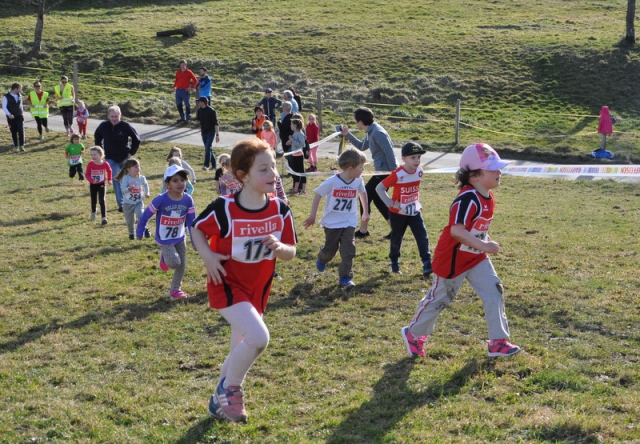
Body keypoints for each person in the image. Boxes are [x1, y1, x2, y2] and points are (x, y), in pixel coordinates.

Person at [191, 138, 297, 423]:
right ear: (243, 176)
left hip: (258, 289)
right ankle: (231, 389)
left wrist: (280, 247)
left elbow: (291, 252)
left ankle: (217, 401)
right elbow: (197, 229)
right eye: (263, 169)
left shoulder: (280, 209)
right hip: (226, 284)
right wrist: (208, 257)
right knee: (259, 338)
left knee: (241, 346)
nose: (273, 174)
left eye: (274, 167)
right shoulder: (224, 208)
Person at [401, 143, 521, 359]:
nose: (499, 172)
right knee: (440, 299)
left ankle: (498, 342)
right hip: (453, 259)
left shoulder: (487, 196)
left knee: (494, 291)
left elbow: (475, 229)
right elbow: (457, 231)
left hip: (475, 258)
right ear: (474, 176)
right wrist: (485, 245)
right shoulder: (467, 198)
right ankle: (413, 334)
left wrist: (484, 241)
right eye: (493, 168)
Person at [303, 149, 369, 288]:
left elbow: (363, 194)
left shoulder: (358, 180)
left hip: (349, 221)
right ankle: (322, 257)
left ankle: (345, 277)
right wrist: (312, 215)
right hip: (332, 223)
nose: (363, 170)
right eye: (361, 168)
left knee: (349, 250)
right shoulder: (332, 181)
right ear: (350, 168)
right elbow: (318, 195)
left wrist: (366, 212)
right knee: (330, 250)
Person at [137, 165, 196, 299]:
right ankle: (164, 255)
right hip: (164, 239)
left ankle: (175, 290)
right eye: (175, 181)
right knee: (175, 263)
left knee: (182, 264)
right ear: (167, 184)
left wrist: (194, 240)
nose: (180, 183)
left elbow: (192, 221)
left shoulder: (188, 200)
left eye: (182, 179)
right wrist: (140, 231)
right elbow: (145, 215)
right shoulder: (160, 199)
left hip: (180, 236)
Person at [376, 142, 432, 277]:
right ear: (404, 159)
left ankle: (427, 262)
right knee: (397, 238)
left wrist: (416, 202)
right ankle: (394, 262)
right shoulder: (397, 174)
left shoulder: (420, 171)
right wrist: (390, 203)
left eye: (419, 157)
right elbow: (379, 188)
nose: (417, 161)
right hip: (397, 214)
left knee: (422, 236)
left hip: (414, 212)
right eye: (413, 158)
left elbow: (413, 190)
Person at [341, 107, 398, 239]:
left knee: (364, 195)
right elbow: (361, 146)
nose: (356, 124)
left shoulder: (378, 132)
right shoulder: (370, 131)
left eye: (356, 122)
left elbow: (389, 152)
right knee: (378, 200)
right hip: (380, 170)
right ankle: (395, 229)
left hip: (385, 172)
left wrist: (394, 173)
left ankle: (363, 230)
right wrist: (347, 134)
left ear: (361, 122)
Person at [94, 105, 141, 212]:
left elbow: (136, 139)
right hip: (111, 158)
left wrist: (131, 153)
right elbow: (97, 137)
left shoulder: (125, 126)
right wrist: (100, 152)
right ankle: (121, 204)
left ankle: (131, 200)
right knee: (116, 178)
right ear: (108, 116)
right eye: (112, 116)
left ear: (120, 115)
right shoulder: (103, 126)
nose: (114, 119)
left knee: (128, 179)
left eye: (116, 116)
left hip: (125, 157)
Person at [115, 158, 150, 240]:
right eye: (135, 167)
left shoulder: (142, 178)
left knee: (141, 215)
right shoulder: (126, 178)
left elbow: (145, 185)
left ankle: (145, 229)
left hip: (138, 202)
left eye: (139, 167)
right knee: (130, 221)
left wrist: (147, 192)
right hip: (128, 204)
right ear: (128, 169)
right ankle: (131, 233)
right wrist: (128, 189)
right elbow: (123, 189)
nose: (138, 169)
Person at [85, 146, 112, 224]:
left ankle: (104, 217)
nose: (93, 157)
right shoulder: (90, 164)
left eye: (95, 155)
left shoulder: (105, 164)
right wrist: (91, 180)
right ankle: (93, 212)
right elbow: (87, 174)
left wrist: (109, 179)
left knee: (102, 200)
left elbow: (109, 170)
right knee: (93, 200)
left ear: (100, 155)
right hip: (93, 185)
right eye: (92, 155)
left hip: (101, 184)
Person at [195, 96, 220, 171]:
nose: (198, 103)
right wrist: (198, 121)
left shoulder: (211, 111)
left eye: (199, 101)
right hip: (203, 131)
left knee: (207, 147)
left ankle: (206, 165)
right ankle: (214, 165)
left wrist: (217, 135)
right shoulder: (199, 110)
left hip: (211, 132)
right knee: (209, 148)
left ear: (203, 102)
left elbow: (216, 123)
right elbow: (198, 119)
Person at [2, 82, 25, 152]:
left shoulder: (20, 95)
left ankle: (21, 145)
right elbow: (4, 106)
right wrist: (9, 114)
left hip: (19, 115)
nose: (21, 90)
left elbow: (21, 105)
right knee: (13, 131)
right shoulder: (6, 96)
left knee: (21, 130)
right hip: (11, 117)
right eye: (20, 88)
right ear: (15, 89)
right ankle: (15, 145)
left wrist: (22, 113)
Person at [289, 118, 307, 195]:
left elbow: (303, 145)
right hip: (294, 155)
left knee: (301, 172)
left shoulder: (300, 133)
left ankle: (303, 190)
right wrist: (289, 142)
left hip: (299, 155)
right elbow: (295, 144)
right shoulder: (295, 133)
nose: (291, 126)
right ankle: (295, 189)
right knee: (295, 172)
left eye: (292, 124)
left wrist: (293, 140)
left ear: (295, 125)